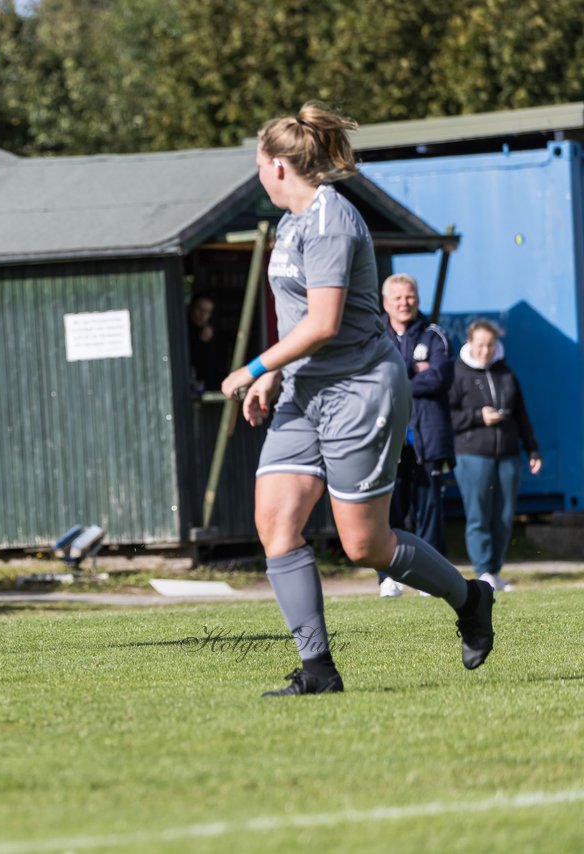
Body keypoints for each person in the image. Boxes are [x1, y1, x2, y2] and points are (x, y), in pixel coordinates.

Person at [220, 102, 494, 697]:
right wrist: (274, 376)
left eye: (258, 165)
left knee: (364, 544)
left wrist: (255, 365)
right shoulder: (290, 225)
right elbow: (298, 317)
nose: (258, 176)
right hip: (304, 392)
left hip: (359, 391)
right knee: (276, 521)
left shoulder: (332, 221)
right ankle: (319, 671)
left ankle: (471, 599)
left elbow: (322, 322)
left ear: (277, 166)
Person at [377, 273, 455, 598]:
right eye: (397, 298)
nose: (404, 303)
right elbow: (370, 379)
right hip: (386, 440)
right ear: (385, 303)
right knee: (388, 511)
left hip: (428, 438)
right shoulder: (373, 335)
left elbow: (440, 377)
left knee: (430, 511)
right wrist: (414, 375)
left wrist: (400, 382)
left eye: (409, 296)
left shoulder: (435, 334)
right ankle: (387, 578)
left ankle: (429, 580)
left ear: (417, 299)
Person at [449, 320, 542, 592]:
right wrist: (479, 417)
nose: (485, 350)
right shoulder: (457, 374)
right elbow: (448, 416)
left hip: (509, 454)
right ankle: (483, 570)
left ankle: (495, 570)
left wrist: (532, 448)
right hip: (472, 454)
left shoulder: (506, 373)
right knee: (478, 514)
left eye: (490, 345)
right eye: (480, 344)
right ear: (469, 343)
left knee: (503, 515)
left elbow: (522, 415)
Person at [188, 294, 225, 392]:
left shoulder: (214, 335)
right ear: (191, 308)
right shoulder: (182, 330)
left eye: (207, 312)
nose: (202, 315)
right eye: (199, 309)